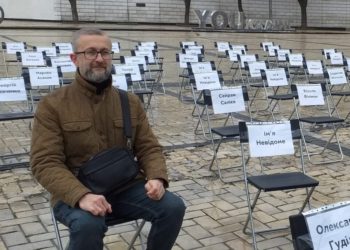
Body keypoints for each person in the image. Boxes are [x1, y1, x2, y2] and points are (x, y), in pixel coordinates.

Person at [30, 28, 186, 250]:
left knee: (173, 207)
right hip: (75, 191)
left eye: (105, 52)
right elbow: (44, 162)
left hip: (124, 187)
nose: (99, 59)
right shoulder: (53, 105)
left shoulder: (129, 102)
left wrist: (157, 178)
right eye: (91, 52)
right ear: (74, 58)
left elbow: (149, 147)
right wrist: (81, 195)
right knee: (87, 225)